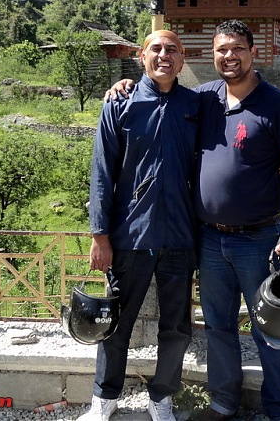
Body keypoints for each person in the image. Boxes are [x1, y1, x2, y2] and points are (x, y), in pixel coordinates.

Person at [108, 20, 280, 421]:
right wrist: (124, 87)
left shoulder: (277, 105)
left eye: (237, 48)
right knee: (218, 326)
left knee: (269, 326)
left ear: (254, 53)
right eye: (221, 50)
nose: (229, 56)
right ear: (211, 55)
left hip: (259, 239)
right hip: (209, 239)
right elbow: (161, 93)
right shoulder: (204, 98)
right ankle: (223, 403)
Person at [81, 30, 199, 421]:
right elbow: (101, 174)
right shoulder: (121, 103)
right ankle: (105, 396)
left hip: (181, 238)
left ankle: (161, 397)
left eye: (173, 50)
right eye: (157, 49)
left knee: (178, 328)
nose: (165, 56)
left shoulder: (196, 106)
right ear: (141, 56)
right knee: (116, 323)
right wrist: (100, 235)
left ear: (183, 60)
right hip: (130, 235)